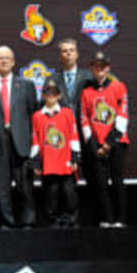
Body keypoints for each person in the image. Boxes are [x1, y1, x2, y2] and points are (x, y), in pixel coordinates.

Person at [0, 45, 37, 229]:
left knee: (25, 185)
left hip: (22, 142)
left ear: (14, 61)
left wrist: (34, 143)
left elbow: (34, 115)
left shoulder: (26, 85)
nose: (3, 60)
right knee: (2, 187)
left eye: (7, 57)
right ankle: (6, 221)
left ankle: (28, 220)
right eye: (0, 58)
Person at [80, 51, 130, 228]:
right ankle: (106, 219)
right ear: (91, 68)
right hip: (96, 145)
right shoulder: (86, 92)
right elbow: (84, 119)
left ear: (107, 68)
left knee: (117, 182)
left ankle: (120, 220)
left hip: (117, 143)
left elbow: (122, 116)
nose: (99, 69)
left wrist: (109, 143)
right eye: (96, 66)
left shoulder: (119, 87)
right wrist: (94, 145)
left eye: (103, 66)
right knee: (100, 185)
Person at [30, 79, 81, 228]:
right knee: (51, 193)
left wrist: (75, 156)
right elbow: (35, 139)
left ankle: (71, 219)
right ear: (43, 96)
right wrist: (36, 161)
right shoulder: (37, 116)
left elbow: (73, 135)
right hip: (48, 162)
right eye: (47, 93)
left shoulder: (67, 113)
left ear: (59, 96)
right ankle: (54, 220)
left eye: (54, 93)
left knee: (69, 192)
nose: (51, 96)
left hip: (65, 160)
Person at [45, 38, 94, 190]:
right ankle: (68, 213)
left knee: (93, 176)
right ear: (60, 56)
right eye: (65, 51)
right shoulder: (52, 79)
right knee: (65, 181)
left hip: (86, 132)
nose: (68, 54)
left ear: (77, 54)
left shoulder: (89, 77)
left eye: (71, 50)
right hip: (63, 136)